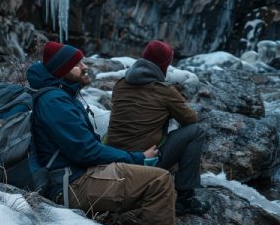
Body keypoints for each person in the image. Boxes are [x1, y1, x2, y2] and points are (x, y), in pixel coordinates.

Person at [27, 41, 176, 225]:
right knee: (159, 181)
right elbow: (86, 152)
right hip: (71, 184)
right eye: (77, 64)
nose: (85, 66)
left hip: (77, 174)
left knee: (151, 180)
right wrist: (137, 157)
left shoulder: (61, 96)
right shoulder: (55, 102)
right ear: (61, 71)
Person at [106, 40, 210, 216]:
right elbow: (190, 119)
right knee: (195, 132)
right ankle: (185, 198)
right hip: (145, 161)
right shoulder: (166, 91)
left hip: (113, 159)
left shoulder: (121, 84)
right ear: (165, 65)